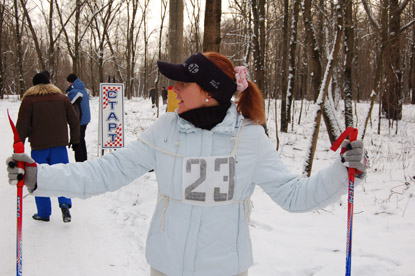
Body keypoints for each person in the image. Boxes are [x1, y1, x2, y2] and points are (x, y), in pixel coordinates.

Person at [6, 52, 367, 275]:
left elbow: (295, 195)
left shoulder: (250, 138)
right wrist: (40, 177)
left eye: (183, 83)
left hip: (225, 270)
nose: (174, 89)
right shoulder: (166, 130)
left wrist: (342, 171)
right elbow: (107, 171)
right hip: (165, 267)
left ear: (209, 91)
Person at [14, 72, 80, 223]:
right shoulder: (62, 98)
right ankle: (64, 204)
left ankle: (44, 213)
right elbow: (74, 120)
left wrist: (18, 146)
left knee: (39, 179)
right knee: (62, 175)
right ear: (50, 83)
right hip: (59, 146)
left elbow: (22, 126)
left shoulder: (29, 101)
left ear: (34, 85)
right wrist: (75, 140)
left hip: (39, 147)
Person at [66, 73, 91, 162]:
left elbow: (68, 105)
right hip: (85, 119)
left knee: (77, 142)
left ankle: (80, 163)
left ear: (70, 82)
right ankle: (84, 160)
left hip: (79, 120)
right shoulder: (83, 89)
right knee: (81, 140)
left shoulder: (75, 92)